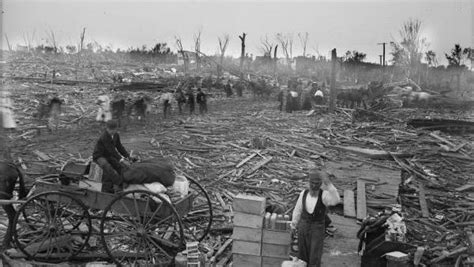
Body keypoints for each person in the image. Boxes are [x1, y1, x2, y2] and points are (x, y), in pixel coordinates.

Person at [291, 169, 341, 267]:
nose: (314, 186)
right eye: (312, 183)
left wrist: (329, 185)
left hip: (317, 228)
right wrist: (294, 225)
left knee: (315, 254)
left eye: (317, 184)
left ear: (320, 184)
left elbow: (336, 200)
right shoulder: (303, 194)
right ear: (309, 183)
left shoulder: (324, 195)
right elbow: (297, 210)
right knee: (302, 253)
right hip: (303, 226)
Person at [92, 120, 134, 193]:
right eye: (111, 130)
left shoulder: (116, 135)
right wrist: (121, 159)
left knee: (119, 166)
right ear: (107, 128)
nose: (113, 131)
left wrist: (127, 156)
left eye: (114, 129)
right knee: (107, 167)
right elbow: (111, 150)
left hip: (109, 155)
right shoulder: (104, 137)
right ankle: (119, 184)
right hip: (99, 156)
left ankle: (119, 184)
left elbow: (119, 147)